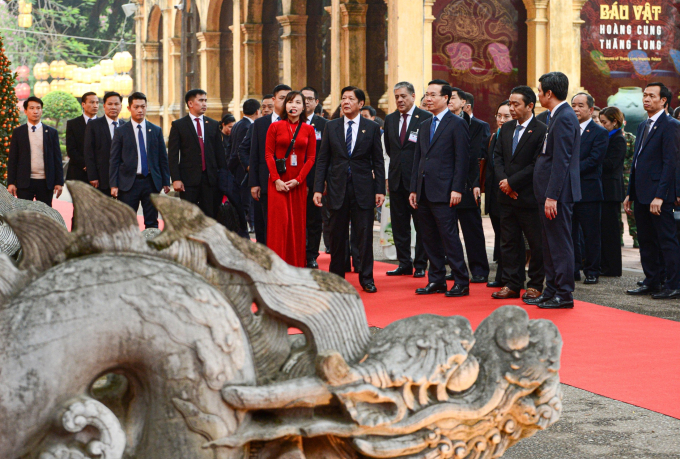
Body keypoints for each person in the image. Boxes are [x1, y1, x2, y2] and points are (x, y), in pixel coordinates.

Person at [313, 86, 385, 293]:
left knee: (364, 235)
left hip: (363, 188)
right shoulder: (331, 126)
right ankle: (336, 279)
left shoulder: (371, 128)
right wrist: (319, 188)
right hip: (337, 188)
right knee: (337, 235)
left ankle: (367, 278)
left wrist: (379, 189)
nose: (345, 102)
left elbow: (378, 161)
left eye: (350, 99)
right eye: (343, 98)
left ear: (360, 104)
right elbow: (323, 159)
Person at [409, 80, 470, 297]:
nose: (428, 99)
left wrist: (457, 188)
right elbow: (419, 159)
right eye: (427, 95)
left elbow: (462, 159)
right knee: (428, 238)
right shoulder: (425, 124)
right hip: (424, 190)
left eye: (433, 95)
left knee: (449, 237)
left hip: (445, 190)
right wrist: (414, 189)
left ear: (446, 98)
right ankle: (436, 280)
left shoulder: (456, 123)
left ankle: (461, 280)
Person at [526, 72, 581, 309]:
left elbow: (562, 160)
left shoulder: (565, 117)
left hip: (557, 195)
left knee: (559, 245)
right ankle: (552, 290)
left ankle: (564, 293)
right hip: (547, 192)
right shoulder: (554, 116)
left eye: (539, 91)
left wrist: (552, 195)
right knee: (549, 244)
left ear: (549, 93)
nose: (538, 95)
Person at [624, 82, 680, 299]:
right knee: (646, 239)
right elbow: (637, 162)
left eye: (651, 96)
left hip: (658, 195)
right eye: (644, 95)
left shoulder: (671, 125)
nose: (646, 99)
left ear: (663, 100)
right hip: (640, 192)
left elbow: (670, 163)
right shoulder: (642, 125)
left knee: (666, 241)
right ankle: (652, 280)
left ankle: (674, 284)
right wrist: (630, 192)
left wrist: (660, 195)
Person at [491, 86, 547, 300]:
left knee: (536, 243)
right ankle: (512, 283)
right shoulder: (506, 129)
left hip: (529, 196)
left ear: (530, 106)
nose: (511, 108)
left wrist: (513, 183)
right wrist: (504, 183)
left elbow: (537, 164)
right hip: (506, 197)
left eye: (516, 104)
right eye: (510, 103)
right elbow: (497, 159)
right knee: (509, 242)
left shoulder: (541, 130)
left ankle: (535, 284)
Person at [383, 81, 432, 278]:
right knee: (399, 224)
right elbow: (389, 149)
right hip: (396, 180)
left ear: (413, 96)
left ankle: (420, 264)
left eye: (403, 96)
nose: (400, 100)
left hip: (418, 182)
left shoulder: (426, 118)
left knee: (421, 224)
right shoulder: (390, 119)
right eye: (396, 97)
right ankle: (404, 262)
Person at [265, 91, 316, 267]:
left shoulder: (309, 129)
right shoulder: (275, 127)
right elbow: (268, 155)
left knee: (297, 225)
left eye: (297, 103)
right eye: (289, 102)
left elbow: (311, 158)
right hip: (277, 183)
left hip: (297, 184)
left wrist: (299, 180)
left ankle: (295, 266)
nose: (293, 106)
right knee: (279, 226)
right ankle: (277, 268)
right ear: (285, 106)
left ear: (303, 107)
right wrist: (276, 180)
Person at [109, 92, 171, 228]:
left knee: (152, 221)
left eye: (143, 106)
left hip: (151, 182)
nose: (140, 110)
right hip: (128, 183)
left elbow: (163, 158)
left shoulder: (156, 130)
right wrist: (113, 184)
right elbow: (114, 159)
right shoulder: (121, 131)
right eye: (136, 107)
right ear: (129, 108)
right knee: (126, 221)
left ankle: (150, 247)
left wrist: (166, 181)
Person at [449, 89, 490, 283]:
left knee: (472, 230)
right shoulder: (444, 123)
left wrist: (475, 184)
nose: (449, 100)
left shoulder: (479, 126)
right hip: (446, 185)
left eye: (453, 98)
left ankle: (479, 269)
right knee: (450, 232)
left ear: (464, 103)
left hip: (468, 185)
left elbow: (479, 158)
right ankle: (456, 269)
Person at [243, 84, 292, 244]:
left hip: (290, 181)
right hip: (265, 182)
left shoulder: (296, 124)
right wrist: (254, 182)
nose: (286, 103)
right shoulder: (260, 124)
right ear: (274, 99)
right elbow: (254, 155)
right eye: (282, 98)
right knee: (264, 224)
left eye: (289, 99)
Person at [168, 89, 226, 218]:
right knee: (189, 217)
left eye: (205, 100)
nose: (204, 104)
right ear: (190, 103)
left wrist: (223, 177)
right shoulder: (179, 125)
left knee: (210, 216)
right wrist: (176, 179)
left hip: (210, 180)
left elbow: (220, 153)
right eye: (201, 100)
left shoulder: (212, 124)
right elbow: (172, 155)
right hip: (188, 180)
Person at [570, 93, 608, 284]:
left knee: (591, 234)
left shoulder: (599, 132)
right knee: (570, 232)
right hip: (568, 191)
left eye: (581, 106)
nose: (576, 109)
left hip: (589, 190)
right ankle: (573, 269)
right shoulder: (566, 129)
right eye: (573, 105)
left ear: (591, 109)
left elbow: (594, 160)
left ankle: (592, 271)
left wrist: (569, 169)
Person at [7, 97, 63, 207]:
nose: (35, 111)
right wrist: (11, 182)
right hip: (24, 182)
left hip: (45, 182)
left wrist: (59, 182)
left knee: (44, 215)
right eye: (32, 108)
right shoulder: (18, 132)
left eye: (38, 108)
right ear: (26, 111)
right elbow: (13, 158)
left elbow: (57, 159)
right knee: (24, 214)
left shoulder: (51, 133)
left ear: (42, 110)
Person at [484, 100, 513, 288]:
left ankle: (509, 277)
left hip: (511, 193)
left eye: (506, 116)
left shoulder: (513, 136)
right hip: (495, 193)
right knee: (499, 236)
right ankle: (501, 275)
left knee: (509, 238)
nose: (501, 120)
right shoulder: (494, 136)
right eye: (499, 116)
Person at [301, 86, 328, 268]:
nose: (306, 102)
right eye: (303, 99)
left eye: (310, 99)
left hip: (316, 180)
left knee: (314, 220)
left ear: (316, 102)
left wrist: (324, 180)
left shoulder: (325, 125)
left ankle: (311, 255)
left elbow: (328, 155)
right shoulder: (292, 122)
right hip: (294, 180)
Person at [599, 106, 627, 277]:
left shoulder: (618, 139)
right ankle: (605, 265)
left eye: (604, 122)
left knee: (611, 231)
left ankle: (613, 267)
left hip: (611, 191)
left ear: (614, 122)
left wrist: (595, 159)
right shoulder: (606, 137)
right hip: (603, 190)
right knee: (603, 230)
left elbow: (611, 164)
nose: (602, 125)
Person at [229, 99, 261, 233]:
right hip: (243, 170)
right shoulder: (247, 126)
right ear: (257, 111)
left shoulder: (238, 124)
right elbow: (239, 150)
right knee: (245, 203)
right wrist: (247, 168)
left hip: (237, 169)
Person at [84, 92, 124, 197]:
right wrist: (92, 176)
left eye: (116, 104)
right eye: (110, 104)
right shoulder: (94, 125)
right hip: (102, 178)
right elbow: (89, 152)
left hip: (124, 179)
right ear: (104, 105)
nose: (113, 107)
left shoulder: (126, 126)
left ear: (121, 106)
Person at [66, 91, 98, 183]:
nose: (95, 105)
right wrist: (87, 165)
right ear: (83, 104)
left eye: (97, 102)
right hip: (78, 172)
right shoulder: (73, 124)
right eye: (92, 102)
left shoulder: (103, 124)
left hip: (99, 173)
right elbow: (71, 149)